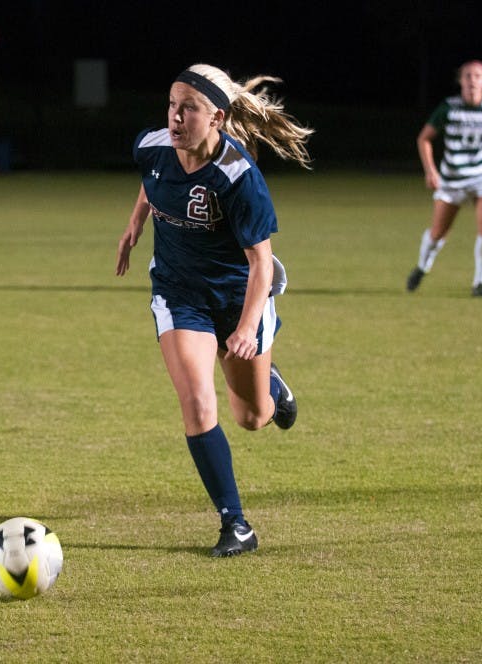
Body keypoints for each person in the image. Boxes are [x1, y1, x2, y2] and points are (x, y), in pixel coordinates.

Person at [115, 64, 312, 557]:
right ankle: (236, 523)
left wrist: (247, 327)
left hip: (237, 297)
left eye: (189, 109)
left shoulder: (238, 176)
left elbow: (261, 264)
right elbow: (150, 178)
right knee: (199, 402)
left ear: (217, 117)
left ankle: (269, 383)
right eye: (171, 104)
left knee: (252, 417)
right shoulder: (153, 144)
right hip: (179, 294)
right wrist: (135, 223)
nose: (175, 117)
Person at [406, 60, 482, 297]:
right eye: (468, 76)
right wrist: (430, 170)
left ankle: (480, 283)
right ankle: (422, 266)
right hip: (453, 177)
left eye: (478, 76)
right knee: (438, 232)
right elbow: (424, 139)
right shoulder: (449, 108)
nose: (472, 80)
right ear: (460, 81)